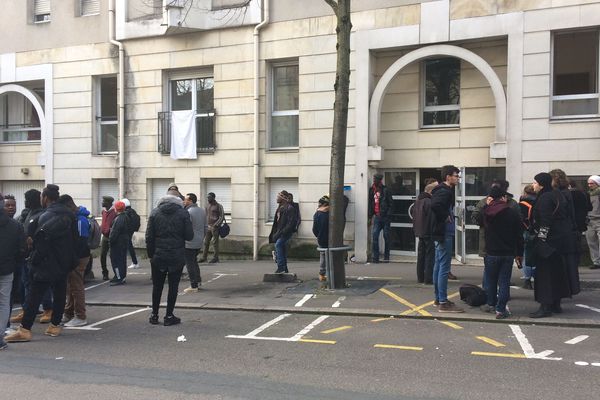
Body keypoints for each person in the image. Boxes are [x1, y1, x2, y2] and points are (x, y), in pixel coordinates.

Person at [6, 184, 79, 342]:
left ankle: (25, 329)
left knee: (34, 296)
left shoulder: (44, 216)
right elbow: (75, 240)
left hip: (45, 263)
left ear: (45, 198)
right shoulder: (70, 215)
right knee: (60, 295)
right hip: (64, 263)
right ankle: (54, 326)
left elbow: (36, 241)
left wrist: (34, 259)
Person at [529, 173, 574, 318]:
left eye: (535, 182)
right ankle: (556, 304)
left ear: (541, 184)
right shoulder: (558, 195)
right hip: (562, 240)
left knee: (544, 275)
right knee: (557, 272)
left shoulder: (544, 198)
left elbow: (545, 220)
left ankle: (545, 306)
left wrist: (541, 239)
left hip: (549, 242)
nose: (533, 185)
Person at [145, 193, 193, 326]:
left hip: (158, 255)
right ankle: (169, 315)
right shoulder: (183, 214)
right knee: (173, 286)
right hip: (176, 254)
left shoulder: (154, 213)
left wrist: (151, 255)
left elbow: (149, 236)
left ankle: (154, 315)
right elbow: (189, 236)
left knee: (157, 286)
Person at [9, 189, 53, 325]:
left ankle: (48, 309)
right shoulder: (29, 213)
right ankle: (26, 309)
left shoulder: (41, 214)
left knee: (39, 285)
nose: (26, 201)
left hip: (36, 256)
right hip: (25, 255)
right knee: (25, 285)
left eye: (27, 198)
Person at [480, 186, 523, 319]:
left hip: (491, 252)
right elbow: (518, 234)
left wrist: (485, 206)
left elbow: (479, 222)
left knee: (491, 280)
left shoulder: (486, 212)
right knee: (504, 281)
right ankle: (500, 309)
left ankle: (491, 304)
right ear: (503, 198)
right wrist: (519, 253)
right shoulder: (512, 213)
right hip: (507, 252)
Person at [430, 165, 463, 313]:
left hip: (440, 233)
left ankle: (439, 299)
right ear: (448, 177)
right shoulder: (444, 191)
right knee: (444, 268)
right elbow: (435, 205)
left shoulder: (441, 190)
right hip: (444, 233)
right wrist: (446, 216)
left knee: (438, 266)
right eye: (456, 175)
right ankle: (443, 302)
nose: (457, 178)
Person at [57, 195, 90, 327]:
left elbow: (82, 241)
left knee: (76, 287)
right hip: (75, 256)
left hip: (79, 257)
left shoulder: (81, 220)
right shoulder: (76, 218)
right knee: (71, 286)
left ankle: (80, 316)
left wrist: (74, 257)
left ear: (69, 206)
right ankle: (69, 313)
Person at [0, 193, 27, 349]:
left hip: (8, 268)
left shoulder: (15, 224)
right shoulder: (15, 225)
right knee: (4, 303)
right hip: (7, 269)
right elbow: (22, 249)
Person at [549, 169, 581, 296]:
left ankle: (560, 294)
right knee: (568, 267)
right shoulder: (567, 192)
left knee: (561, 267)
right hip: (568, 232)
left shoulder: (559, 194)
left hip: (561, 234)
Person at [413, 182, 437, 284]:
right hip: (428, 232)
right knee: (429, 256)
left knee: (421, 256)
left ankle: (420, 277)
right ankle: (428, 278)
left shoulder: (417, 202)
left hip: (420, 232)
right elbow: (432, 219)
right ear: (431, 191)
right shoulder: (429, 202)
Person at [269, 190, 298, 273]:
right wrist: (275, 233)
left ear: (283, 198)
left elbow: (291, 223)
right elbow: (277, 223)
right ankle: (284, 269)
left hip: (285, 232)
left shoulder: (290, 208)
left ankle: (281, 267)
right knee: (282, 248)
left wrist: (283, 232)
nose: (276, 198)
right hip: (279, 232)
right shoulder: (280, 208)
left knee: (278, 245)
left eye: (278, 197)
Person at [183, 193, 207, 293]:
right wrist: (202, 237)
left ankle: (193, 285)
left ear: (191, 201)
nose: (184, 201)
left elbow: (186, 227)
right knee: (194, 261)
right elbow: (205, 227)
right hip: (199, 241)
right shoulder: (202, 211)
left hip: (189, 242)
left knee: (189, 263)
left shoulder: (188, 212)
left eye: (186, 199)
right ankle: (198, 281)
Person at [368, 174, 392, 263]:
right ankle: (376, 257)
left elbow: (391, 203)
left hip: (385, 217)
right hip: (377, 217)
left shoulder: (386, 190)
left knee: (386, 237)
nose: (374, 181)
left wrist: (388, 215)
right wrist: (370, 216)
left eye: (376, 179)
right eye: (374, 179)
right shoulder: (371, 190)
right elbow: (370, 204)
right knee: (375, 236)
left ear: (380, 180)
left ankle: (386, 257)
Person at [518, 184, 537, 289]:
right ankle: (536, 276)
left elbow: (519, 219)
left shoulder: (522, 204)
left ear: (525, 193)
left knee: (526, 255)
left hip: (525, 231)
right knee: (536, 255)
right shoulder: (538, 202)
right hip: (537, 231)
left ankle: (527, 279)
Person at [199, 192, 224, 264]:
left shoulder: (219, 206)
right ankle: (204, 257)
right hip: (208, 227)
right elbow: (205, 215)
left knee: (215, 243)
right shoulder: (207, 205)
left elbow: (221, 217)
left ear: (213, 198)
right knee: (206, 242)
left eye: (209, 197)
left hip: (215, 227)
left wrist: (216, 225)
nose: (208, 198)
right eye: (207, 197)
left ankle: (216, 258)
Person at [109, 201, 130, 286]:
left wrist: (110, 241)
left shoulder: (119, 219)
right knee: (122, 261)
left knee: (116, 261)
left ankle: (119, 277)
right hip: (123, 242)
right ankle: (121, 276)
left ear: (116, 209)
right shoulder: (125, 217)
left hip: (117, 243)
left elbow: (114, 232)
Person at [312, 195, 330, 281]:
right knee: (332, 256)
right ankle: (332, 273)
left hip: (321, 238)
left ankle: (322, 274)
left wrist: (319, 235)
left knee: (323, 256)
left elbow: (314, 229)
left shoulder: (317, 214)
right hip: (331, 239)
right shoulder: (330, 213)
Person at [585, 175, 600, 270]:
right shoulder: (587, 194)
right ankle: (596, 262)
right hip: (590, 220)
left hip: (599, 219)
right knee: (591, 242)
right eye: (588, 183)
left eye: (592, 183)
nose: (590, 185)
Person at [100, 196, 116, 281]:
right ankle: (105, 273)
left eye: (104, 201)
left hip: (111, 237)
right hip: (104, 237)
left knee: (113, 256)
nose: (102, 202)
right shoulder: (103, 212)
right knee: (102, 255)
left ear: (109, 203)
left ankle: (116, 274)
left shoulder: (114, 213)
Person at [121, 199, 140, 270]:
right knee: (129, 246)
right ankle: (134, 262)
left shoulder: (126, 213)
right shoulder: (132, 211)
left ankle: (135, 262)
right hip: (131, 231)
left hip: (127, 232)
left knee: (129, 246)